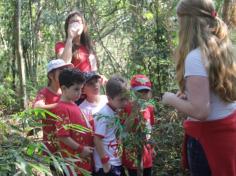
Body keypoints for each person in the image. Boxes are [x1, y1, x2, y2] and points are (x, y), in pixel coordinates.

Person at [162, 0, 236, 175]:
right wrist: (190, 95)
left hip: (209, 140)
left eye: (179, 19)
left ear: (188, 22)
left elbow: (201, 111)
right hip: (228, 134)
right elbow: (216, 93)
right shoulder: (225, 49)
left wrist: (170, 99)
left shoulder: (195, 57)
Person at [53, 68, 94, 175]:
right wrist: (81, 149)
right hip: (75, 164)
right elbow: (62, 135)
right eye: (76, 89)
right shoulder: (62, 108)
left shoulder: (73, 103)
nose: (79, 93)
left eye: (81, 89)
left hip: (83, 161)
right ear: (64, 88)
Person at [33, 59, 73, 154]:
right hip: (52, 144)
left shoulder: (67, 91)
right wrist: (59, 105)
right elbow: (37, 107)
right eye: (61, 70)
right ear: (51, 75)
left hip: (68, 143)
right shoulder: (44, 92)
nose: (65, 73)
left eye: (66, 70)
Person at [93, 75, 129, 176]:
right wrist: (105, 163)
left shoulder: (114, 111)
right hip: (107, 165)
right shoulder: (104, 115)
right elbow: (97, 139)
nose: (125, 102)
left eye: (126, 98)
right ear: (109, 98)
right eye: (121, 100)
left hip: (115, 162)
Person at [122, 74, 156, 176]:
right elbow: (124, 132)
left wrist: (153, 147)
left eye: (145, 92)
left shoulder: (149, 108)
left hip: (147, 154)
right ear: (132, 92)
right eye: (139, 92)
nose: (142, 95)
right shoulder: (126, 107)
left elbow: (150, 128)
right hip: (132, 156)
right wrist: (133, 113)